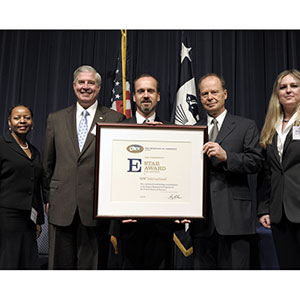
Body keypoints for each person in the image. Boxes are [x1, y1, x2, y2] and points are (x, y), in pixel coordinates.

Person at [42, 65, 125, 270]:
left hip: (96, 208)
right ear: (74, 86)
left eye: (91, 83)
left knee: (92, 268)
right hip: (61, 206)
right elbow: (47, 164)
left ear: (98, 88)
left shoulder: (115, 119)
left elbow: (118, 165)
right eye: (81, 82)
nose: (86, 87)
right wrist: (49, 197)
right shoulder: (56, 118)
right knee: (59, 267)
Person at [190, 73, 264, 269]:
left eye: (214, 92)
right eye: (204, 93)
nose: (209, 97)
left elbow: (256, 162)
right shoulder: (193, 130)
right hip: (202, 222)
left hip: (235, 217)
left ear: (225, 94)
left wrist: (227, 156)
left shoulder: (245, 125)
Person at [110, 74, 175, 269]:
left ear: (158, 97)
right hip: (128, 223)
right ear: (134, 97)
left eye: (150, 91)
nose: (146, 95)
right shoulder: (116, 131)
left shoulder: (173, 133)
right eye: (141, 91)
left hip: (161, 226)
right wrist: (117, 210)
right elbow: (112, 176)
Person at [257, 69, 300, 269]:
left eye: (294, 86)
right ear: (277, 94)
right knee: (289, 268)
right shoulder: (270, 125)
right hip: (279, 212)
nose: (288, 91)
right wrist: (264, 208)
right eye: (283, 87)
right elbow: (268, 172)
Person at [0, 105, 44, 269]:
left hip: (28, 219)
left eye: (26, 117)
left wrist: (39, 220)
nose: (22, 121)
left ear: (32, 123)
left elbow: (36, 187)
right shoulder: (2, 145)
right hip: (6, 216)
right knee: (9, 260)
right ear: (9, 122)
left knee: (27, 261)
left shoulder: (34, 151)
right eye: (17, 118)